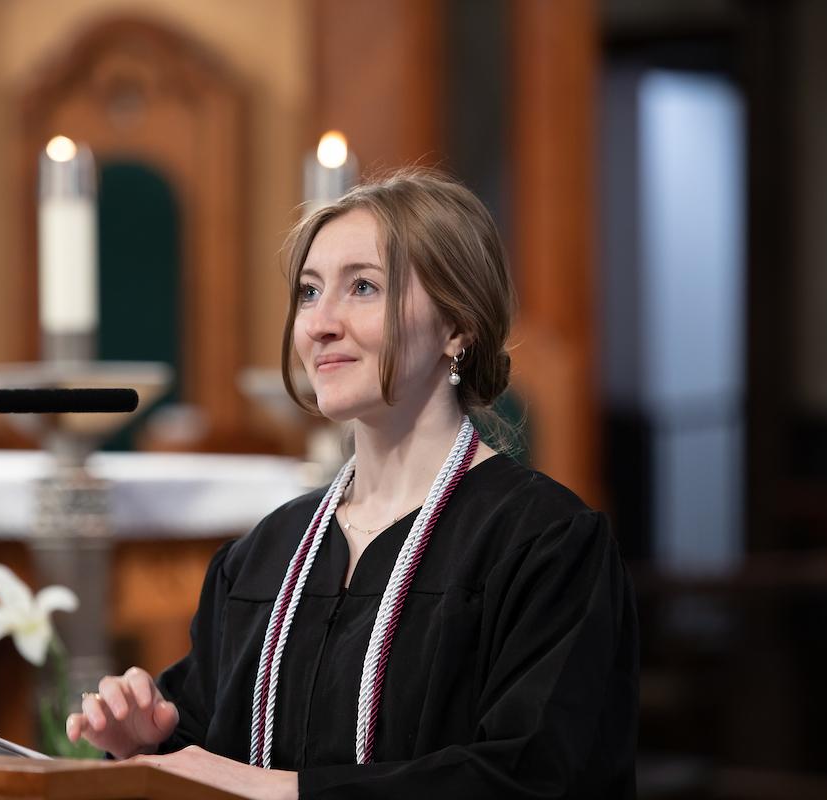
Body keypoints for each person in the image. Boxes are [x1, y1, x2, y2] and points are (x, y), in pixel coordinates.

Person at [67, 169, 639, 799]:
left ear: (457, 326)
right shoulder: (265, 553)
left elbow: (537, 777)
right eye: (309, 294)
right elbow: (212, 749)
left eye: (362, 287)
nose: (319, 325)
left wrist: (285, 791)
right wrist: (149, 740)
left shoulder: (545, 543)